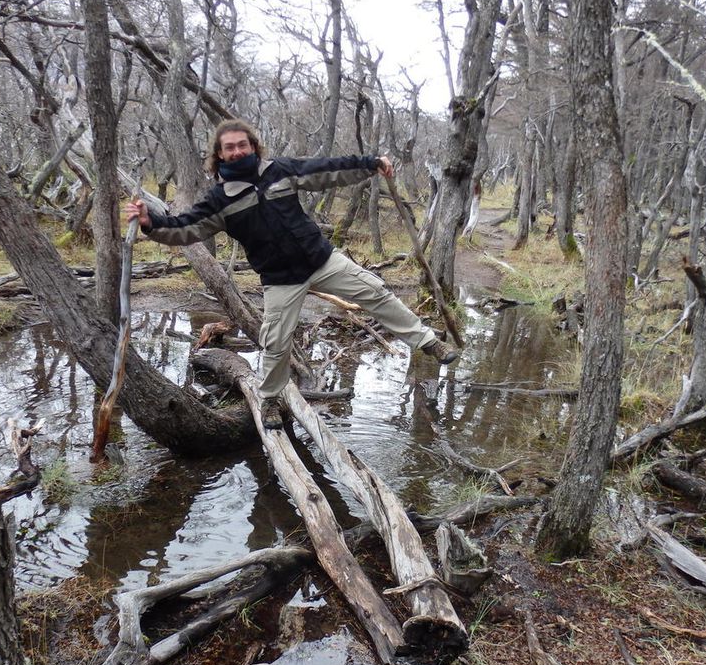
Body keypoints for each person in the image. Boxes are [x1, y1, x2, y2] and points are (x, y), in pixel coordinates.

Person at [126, 119, 458, 431]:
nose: (238, 151)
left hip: (320, 260)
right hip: (280, 278)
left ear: (254, 146)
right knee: (275, 342)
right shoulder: (219, 199)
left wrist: (370, 163)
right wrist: (150, 223)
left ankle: (429, 343)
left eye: (243, 144)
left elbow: (327, 170)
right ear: (219, 155)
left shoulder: (279, 171)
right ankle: (270, 400)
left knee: (376, 291)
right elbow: (185, 228)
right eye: (230, 147)